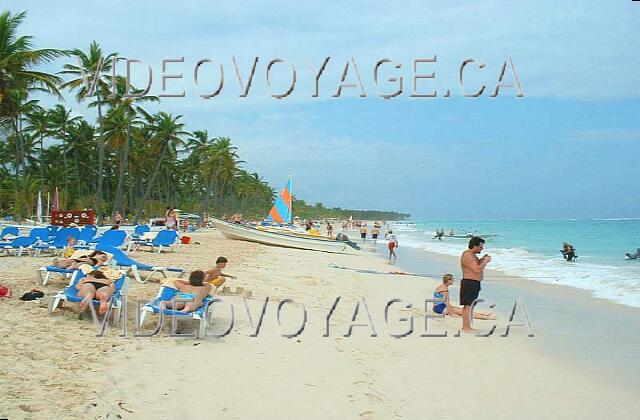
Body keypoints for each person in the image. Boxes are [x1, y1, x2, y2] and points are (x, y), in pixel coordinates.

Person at [460, 236, 491, 333]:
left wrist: (482, 259)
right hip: (469, 283)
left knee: (470, 305)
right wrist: (485, 262)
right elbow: (477, 269)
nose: (482, 249)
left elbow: (476, 265)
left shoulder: (472, 255)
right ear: (475, 246)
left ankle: (467, 326)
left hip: (473, 283)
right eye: (481, 247)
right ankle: (466, 327)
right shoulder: (468, 255)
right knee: (468, 306)